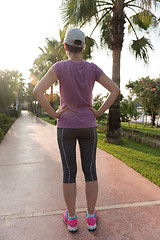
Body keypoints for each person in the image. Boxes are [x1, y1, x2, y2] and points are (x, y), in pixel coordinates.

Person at [33, 28, 120, 232]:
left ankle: (71, 219)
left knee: (68, 172)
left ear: (66, 46)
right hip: (89, 125)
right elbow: (115, 89)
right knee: (90, 171)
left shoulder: (59, 67)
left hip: (66, 127)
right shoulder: (92, 68)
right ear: (83, 47)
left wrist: (55, 114)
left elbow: (37, 91)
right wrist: (98, 112)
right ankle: (91, 217)